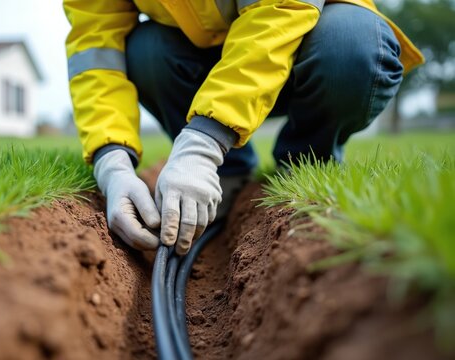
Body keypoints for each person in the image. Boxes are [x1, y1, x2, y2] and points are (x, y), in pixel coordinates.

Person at [63, 0, 423, 256]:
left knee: (352, 45)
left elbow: (281, 10)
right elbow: (95, 48)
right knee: (144, 49)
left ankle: (307, 160)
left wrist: (204, 140)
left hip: (307, 44)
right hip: (205, 62)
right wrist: (111, 161)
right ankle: (230, 173)